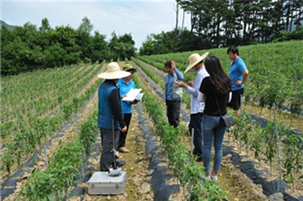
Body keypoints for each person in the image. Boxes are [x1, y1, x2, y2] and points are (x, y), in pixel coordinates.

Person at [199, 55, 232, 181]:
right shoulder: (227, 80)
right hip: (222, 118)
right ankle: (215, 174)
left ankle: (206, 174)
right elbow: (229, 99)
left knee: (207, 146)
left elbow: (201, 99)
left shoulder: (207, 81)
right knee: (219, 146)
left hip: (209, 117)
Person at [97, 62, 130, 172]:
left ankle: (115, 162)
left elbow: (108, 100)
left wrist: (119, 97)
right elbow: (117, 109)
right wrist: (122, 124)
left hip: (102, 121)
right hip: (110, 123)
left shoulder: (103, 86)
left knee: (109, 145)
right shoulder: (113, 90)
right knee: (109, 149)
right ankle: (104, 171)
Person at [176, 52, 209, 162]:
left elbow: (197, 93)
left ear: (196, 65)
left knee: (196, 130)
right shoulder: (204, 72)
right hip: (202, 105)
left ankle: (199, 154)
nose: (193, 69)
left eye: (193, 67)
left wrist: (185, 86)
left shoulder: (200, 74)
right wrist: (192, 86)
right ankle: (197, 150)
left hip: (198, 107)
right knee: (193, 128)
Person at [116, 64, 137, 153]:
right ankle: (115, 147)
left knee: (126, 127)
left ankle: (122, 145)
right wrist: (122, 97)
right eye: (129, 73)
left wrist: (134, 100)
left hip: (128, 109)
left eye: (132, 73)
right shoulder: (118, 83)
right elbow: (115, 96)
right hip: (120, 109)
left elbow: (133, 95)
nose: (131, 75)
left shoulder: (132, 84)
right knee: (118, 128)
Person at [227, 45, 249, 119]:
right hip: (231, 88)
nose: (229, 56)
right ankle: (232, 121)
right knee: (229, 105)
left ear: (235, 53)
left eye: (230, 54)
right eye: (228, 54)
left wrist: (242, 82)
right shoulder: (233, 62)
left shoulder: (239, 62)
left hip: (236, 89)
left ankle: (237, 123)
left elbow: (246, 72)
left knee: (236, 108)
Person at [164, 60, 184, 127]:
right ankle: (171, 130)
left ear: (172, 68)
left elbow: (182, 77)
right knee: (169, 116)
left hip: (175, 99)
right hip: (168, 99)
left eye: (169, 68)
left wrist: (175, 68)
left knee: (175, 117)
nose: (168, 70)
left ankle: (175, 131)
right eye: (166, 68)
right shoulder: (166, 76)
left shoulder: (177, 76)